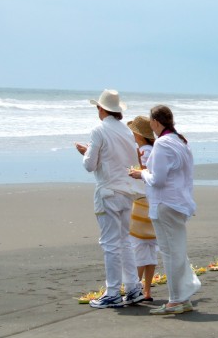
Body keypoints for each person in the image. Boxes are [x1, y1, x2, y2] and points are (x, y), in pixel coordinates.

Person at [75, 89, 145, 308]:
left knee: (110, 244)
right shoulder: (126, 131)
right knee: (124, 241)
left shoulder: (99, 130)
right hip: (126, 190)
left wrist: (85, 152)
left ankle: (113, 291)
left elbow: (90, 165)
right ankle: (133, 288)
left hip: (107, 191)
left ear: (101, 109)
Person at [129, 105, 201, 315]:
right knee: (176, 250)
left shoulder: (162, 143)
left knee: (171, 252)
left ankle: (176, 299)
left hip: (165, 203)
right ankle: (182, 297)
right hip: (179, 202)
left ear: (156, 122)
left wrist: (140, 174)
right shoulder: (180, 142)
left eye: (151, 122)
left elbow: (157, 180)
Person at [127, 115, 158, 301]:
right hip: (152, 201)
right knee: (150, 247)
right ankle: (147, 291)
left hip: (141, 201)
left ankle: (135, 288)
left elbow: (144, 172)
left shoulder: (144, 151)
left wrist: (134, 170)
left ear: (138, 135)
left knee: (138, 245)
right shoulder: (153, 149)